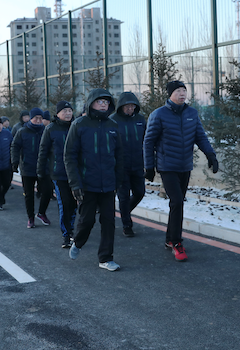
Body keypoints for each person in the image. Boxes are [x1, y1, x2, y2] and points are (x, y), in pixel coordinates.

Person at [143, 80, 219, 262]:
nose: (182, 93)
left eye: (184, 90)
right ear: (170, 94)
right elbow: (148, 142)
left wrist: (211, 155)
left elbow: (200, 136)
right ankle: (177, 242)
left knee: (176, 203)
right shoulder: (158, 115)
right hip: (167, 166)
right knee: (177, 201)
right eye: (177, 91)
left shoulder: (192, 113)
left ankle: (169, 238)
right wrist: (149, 166)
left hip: (185, 166)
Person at [64, 89, 123, 272]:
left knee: (109, 222)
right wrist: (75, 183)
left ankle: (105, 258)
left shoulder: (113, 125)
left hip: (108, 184)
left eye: (106, 102)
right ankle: (78, 242)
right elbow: (69, 156)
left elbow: (119, 155)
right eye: (100, 101)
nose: (103, 105)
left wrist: (119, 179)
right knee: (87, 221)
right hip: (87, 184)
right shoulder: (79, 125)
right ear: (91, 103)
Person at [38, 101, 76, 248]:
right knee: (64, 203)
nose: (68, 113)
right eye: (64, 111)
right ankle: (66, 234)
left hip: (75, 173)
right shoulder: (51, 129)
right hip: (59, 173)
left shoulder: (76, 126)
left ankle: (71, 229)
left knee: (73, 203)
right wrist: (41, 171)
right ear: (58, 113)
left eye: (70, 110)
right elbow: (43, 151)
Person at [109, 92, 146, 237]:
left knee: (140, 192)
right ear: (121, 106)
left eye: (133, 106)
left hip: (137, 163)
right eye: (127, 106)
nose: (130, 109)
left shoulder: (140, 120)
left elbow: (146, 140)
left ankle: (125, 212)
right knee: (123, 196)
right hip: (120, 165)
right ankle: (127, 225)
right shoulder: (113, 120)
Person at [11, 107, 52, 228]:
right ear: (31, 118)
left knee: (48, 191)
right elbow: (15, 146)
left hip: (44, 167)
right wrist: (15, 161)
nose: (38, 121)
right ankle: (30, 217)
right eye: (36, 118)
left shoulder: (46, 131)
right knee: (29, 195)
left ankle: (41, 213)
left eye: (40, 118)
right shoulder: (22, 131)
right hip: (27, 167)